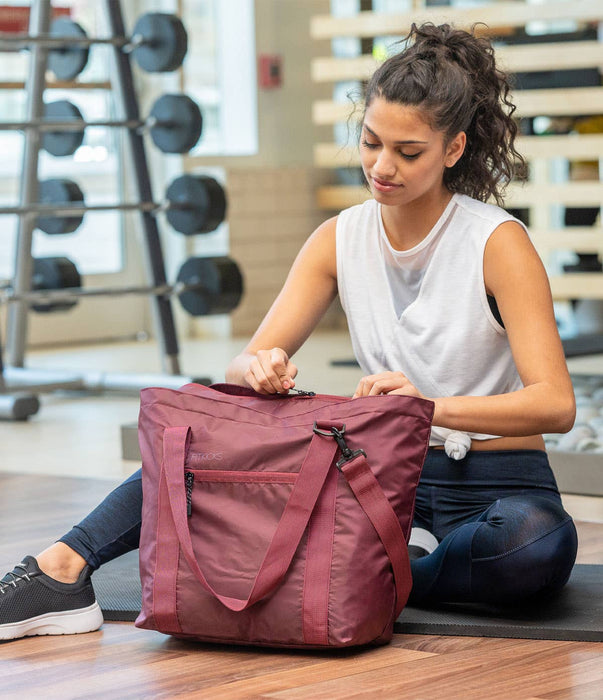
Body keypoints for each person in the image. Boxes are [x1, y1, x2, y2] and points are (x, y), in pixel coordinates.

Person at [0, 23, 578, 641]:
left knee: (533, 546)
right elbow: (243, 363)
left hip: (493, 482)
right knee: (204, 437)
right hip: (375, 476)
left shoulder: (498, 242)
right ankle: (61, 570)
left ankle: (394, 568)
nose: (382, 167)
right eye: (371, 142)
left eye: (407, 153)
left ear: (454, 150)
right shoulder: (339, 238)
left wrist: (426, 409)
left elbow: (556, 404)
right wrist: (261, 368)